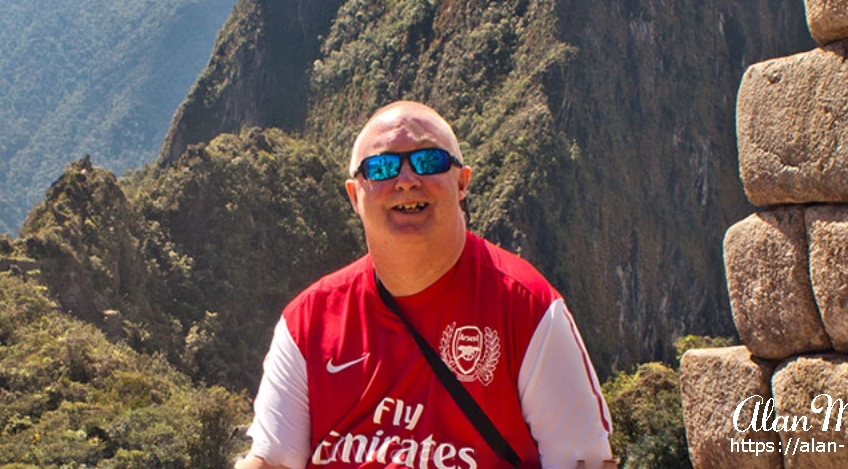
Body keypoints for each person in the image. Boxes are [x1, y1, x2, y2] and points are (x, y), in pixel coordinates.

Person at [237, 101, 615, 468]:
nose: (406, 181)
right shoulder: (308, 323)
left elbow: (584, 462)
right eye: (382, 167)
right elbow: (273, 461)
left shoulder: (528, 308)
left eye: (428, 160)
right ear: (355, 195)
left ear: (462, 182)